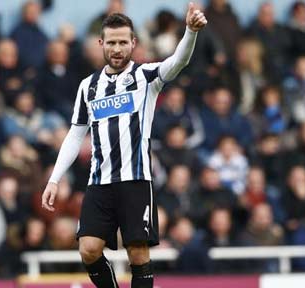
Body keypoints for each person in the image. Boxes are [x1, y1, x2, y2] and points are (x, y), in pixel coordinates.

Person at [41, 5, 207, 288]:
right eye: (112, 42)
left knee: (138, 252)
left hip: (136, 180)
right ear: (101, 44)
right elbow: (75, 134)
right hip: (99, 182)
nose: (117, 49)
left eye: (122, 42)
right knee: (88, 249)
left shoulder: (146, 77)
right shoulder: (88, 87)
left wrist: (190, 32)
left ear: (133, 43)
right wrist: (54, 178)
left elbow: (178, 61)